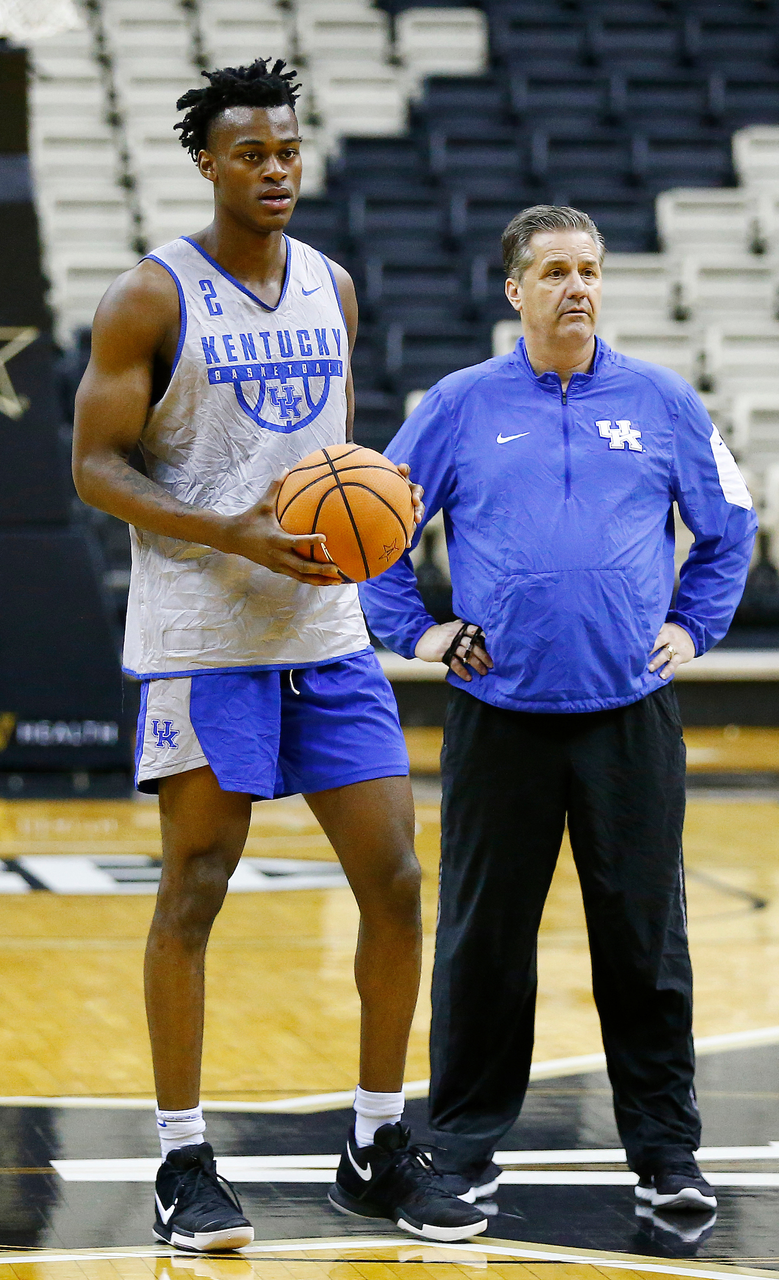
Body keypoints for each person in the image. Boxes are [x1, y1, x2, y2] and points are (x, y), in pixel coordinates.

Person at [72, 59, 486, 1251]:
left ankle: (372, 1141)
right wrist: (232, 528)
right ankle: (182, 1160)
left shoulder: (332, 288)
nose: (276, 170)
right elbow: (93, 468)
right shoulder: (149, 298)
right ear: (206, 161)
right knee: (194, 888)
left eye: (289, 151)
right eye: (251, 153)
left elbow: (328, 462)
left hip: (325, 635)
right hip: (204, 640)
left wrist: (362, 519)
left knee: (399, 882)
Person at [360, 205, 758, 1215]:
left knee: (642, 942)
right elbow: (372, 526)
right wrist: (416, 632)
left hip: (629, 714)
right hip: (499, 713)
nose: (574, 286)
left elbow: (728, 522)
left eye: (586, 269)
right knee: (484, 942)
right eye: (551, 272)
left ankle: (666, 1152)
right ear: (514, 290)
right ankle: (457, 1145)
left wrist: (691, 627)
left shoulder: (661, 400)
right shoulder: (458, 403)